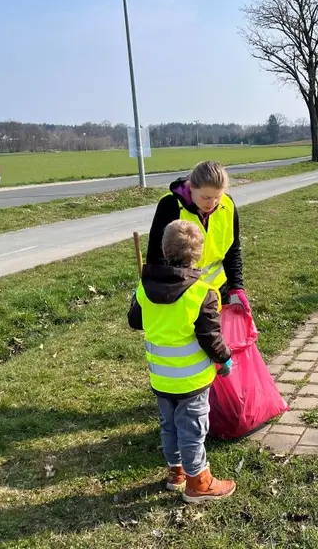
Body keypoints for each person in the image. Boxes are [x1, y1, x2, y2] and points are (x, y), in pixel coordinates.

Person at [128, 220, 236, 503]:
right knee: (192, 430)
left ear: (164, 250)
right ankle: (198, 482)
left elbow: (135, 321)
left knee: (169, 426)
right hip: (191, 382)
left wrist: (138, 297)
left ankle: (176, 472)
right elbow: (210, 338)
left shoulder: (145, 289)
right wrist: (225, 359)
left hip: (161, 379)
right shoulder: (202, 293)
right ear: (198, 255)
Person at [146, 161, 250, 314]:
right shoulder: (170, 205)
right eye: (205, 197)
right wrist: (168, 293)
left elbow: (232, 250)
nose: (212, 203)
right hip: (182, 293)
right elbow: (156, 255)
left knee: (216, 330)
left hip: (217, 292)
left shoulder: (228, 205)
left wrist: (236, 287)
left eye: (218, 197)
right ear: (191, 187)